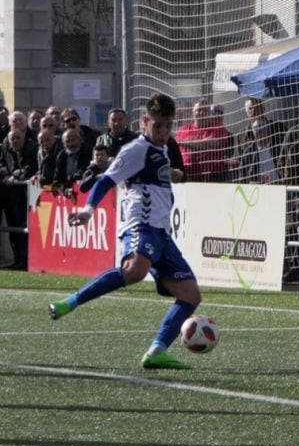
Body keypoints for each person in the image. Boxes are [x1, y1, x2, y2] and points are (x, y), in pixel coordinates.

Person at [49, 93, 203, 370]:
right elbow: (107, 180)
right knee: (135, 270)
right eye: (158, 126)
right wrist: (88, 210)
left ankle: (156, 350)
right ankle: (70, 302)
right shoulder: (136, 149)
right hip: (140, 226)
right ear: (145, 121)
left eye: (168, 126)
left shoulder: (162, 148)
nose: (164, 132)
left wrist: (172, 175)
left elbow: (148, 179)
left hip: (162, 234)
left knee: (191, 295)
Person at [0, 127, 37, 269]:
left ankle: (26, 260)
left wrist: (13, 176)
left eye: (17, 138)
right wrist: (5, 175)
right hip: (11, 195)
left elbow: (29, 169)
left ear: (24, 138)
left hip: (26, 196)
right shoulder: (6, 148)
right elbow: (2, 165)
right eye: (12, 139)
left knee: (25, 227)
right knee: (13, 228)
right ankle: (18, 259)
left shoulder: (32, 148)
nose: (15, 141)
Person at [175, 99, 229, 182]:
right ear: (193, 113)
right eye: (199, 110)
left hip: (213, 177)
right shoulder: (183, 130)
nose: (202, 113)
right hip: (188, 176)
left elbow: (210, 144)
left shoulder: (218, 127)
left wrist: (185, 142)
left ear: (210, 113)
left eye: (205, 110)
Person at [34, 118, 60, 186]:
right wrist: (38, 175)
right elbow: (40, 169)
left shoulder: (61, 150)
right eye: (42, 142)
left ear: (53, 138)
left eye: (48, 140)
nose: (45, 143)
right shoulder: (40, 151)